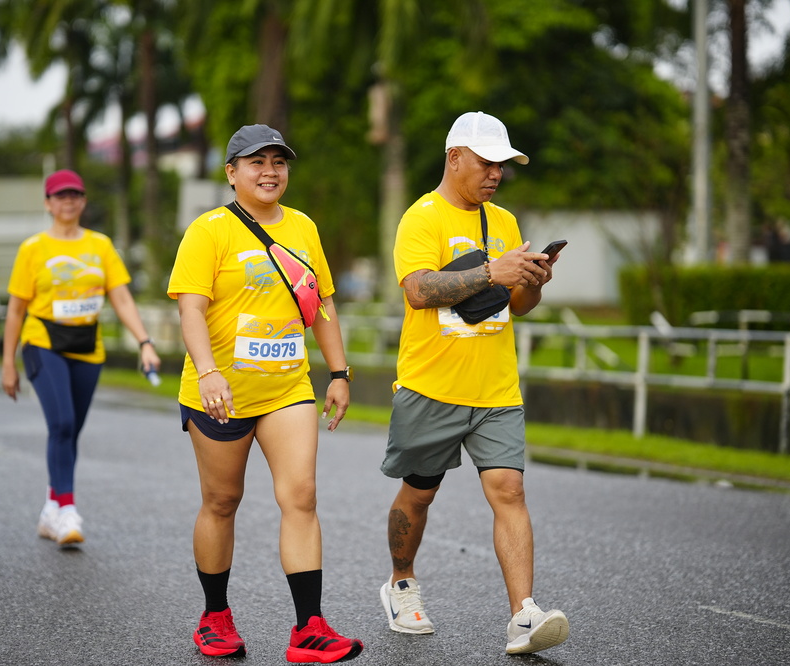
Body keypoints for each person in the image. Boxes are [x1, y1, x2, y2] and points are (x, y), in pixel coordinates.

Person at [167, 124, 363, 663]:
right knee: (221, 501)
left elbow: (321, 304)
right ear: (231, 173)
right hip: (220, 392)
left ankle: (309, 629)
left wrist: (339, 373)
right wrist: (208, 371)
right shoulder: (208, 231)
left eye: (279, 162)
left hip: (287, 388)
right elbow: (190, 309)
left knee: (301, 496)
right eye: (257, 162)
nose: (270, 172)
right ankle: (215, 616)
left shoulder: (303, 227)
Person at [378, 111, 569, 655]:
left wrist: (534, 280)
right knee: (419, 493)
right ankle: (401, 583)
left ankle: (524, 615)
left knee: (510, 490)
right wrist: (492, 271)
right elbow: (418, 291)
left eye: (502, 166)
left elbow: (518, 304)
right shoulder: (422, 218)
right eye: (487, 163)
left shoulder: (503, 221)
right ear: (455, 157)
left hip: (496, 389)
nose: (496, 174)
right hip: (431, 387)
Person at [1, 169, 161, 547]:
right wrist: (8, 363)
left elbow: (122, 298)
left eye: (75, 194)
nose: (68, 201)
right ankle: (67, 510)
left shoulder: (100, 246)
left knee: (70, 431)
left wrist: (145, 342)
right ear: (48, 203)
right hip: (43, 342)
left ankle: (50, 508)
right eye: (60, 195)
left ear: (84, 201)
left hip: (88, 346)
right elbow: (16, 310)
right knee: (62, 423)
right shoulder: (33, 248)